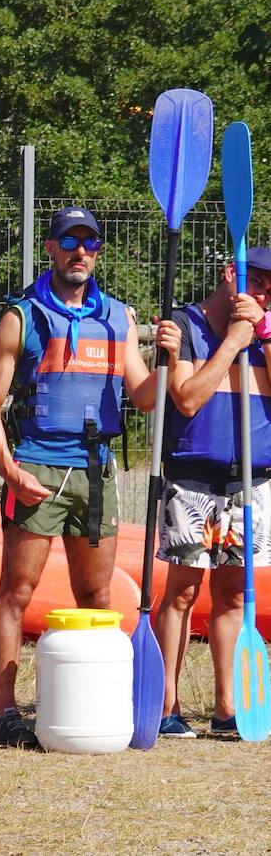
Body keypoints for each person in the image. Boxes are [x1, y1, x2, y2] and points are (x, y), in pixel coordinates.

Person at [0, 205, 160, 747]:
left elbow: (145, 397)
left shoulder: (119, 318)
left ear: (99, 251)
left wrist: (168, 359)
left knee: (97, 591)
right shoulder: (23, 315)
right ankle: (4, 712)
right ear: (51, 249)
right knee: (17, 590)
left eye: (91, 243)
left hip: (97, 470)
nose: (81, 252)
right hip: (36, 464)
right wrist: (10, 471)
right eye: (70, 241)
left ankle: (93, 701)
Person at [151, 247, 271, 738]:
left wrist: (261, 332)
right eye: (259, 282)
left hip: (251, 482)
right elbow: (188, 397)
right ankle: (166, 708)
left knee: (231, 598)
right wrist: (233, 342)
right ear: (232, 276)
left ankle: (228, 710)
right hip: (192, 481)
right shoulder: (184, 323)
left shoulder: (267, 332)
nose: (265, 294)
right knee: (180, 595)